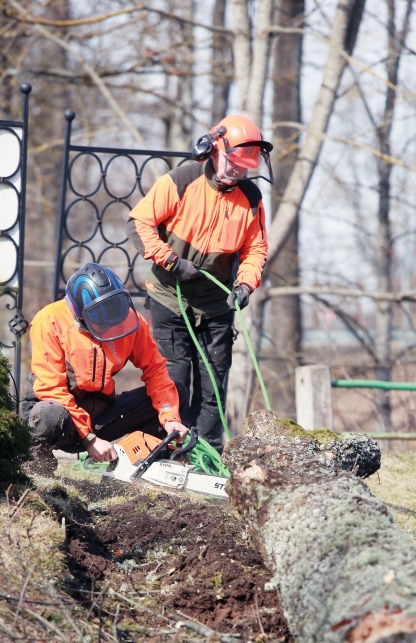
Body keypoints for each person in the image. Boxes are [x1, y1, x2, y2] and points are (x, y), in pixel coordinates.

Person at [126, 114, 272, 450]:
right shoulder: (181, 181)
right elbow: (139, 224)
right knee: (174, 379)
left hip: (216, 303)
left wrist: (245, 285)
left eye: (245, 168)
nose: (239, 172)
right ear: (213, 150)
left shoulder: (250, 199)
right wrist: (172, 262)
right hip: (168, 295)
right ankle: (169, 445)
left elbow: (255, 249)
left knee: (214, 383)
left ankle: (208, 448)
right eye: (234, 164)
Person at [22, 263, 189, 473]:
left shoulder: (129, 322)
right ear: (80, 314)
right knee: (49, 417)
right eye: (101, 322)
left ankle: (144, 468)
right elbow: (51, 390)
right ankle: (39, 464)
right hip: (58, 414)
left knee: (178, 393)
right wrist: (90, 439)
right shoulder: (50, 320)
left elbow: (156, 371)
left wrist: (170, 418)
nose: (109, 326)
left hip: (98, 412)